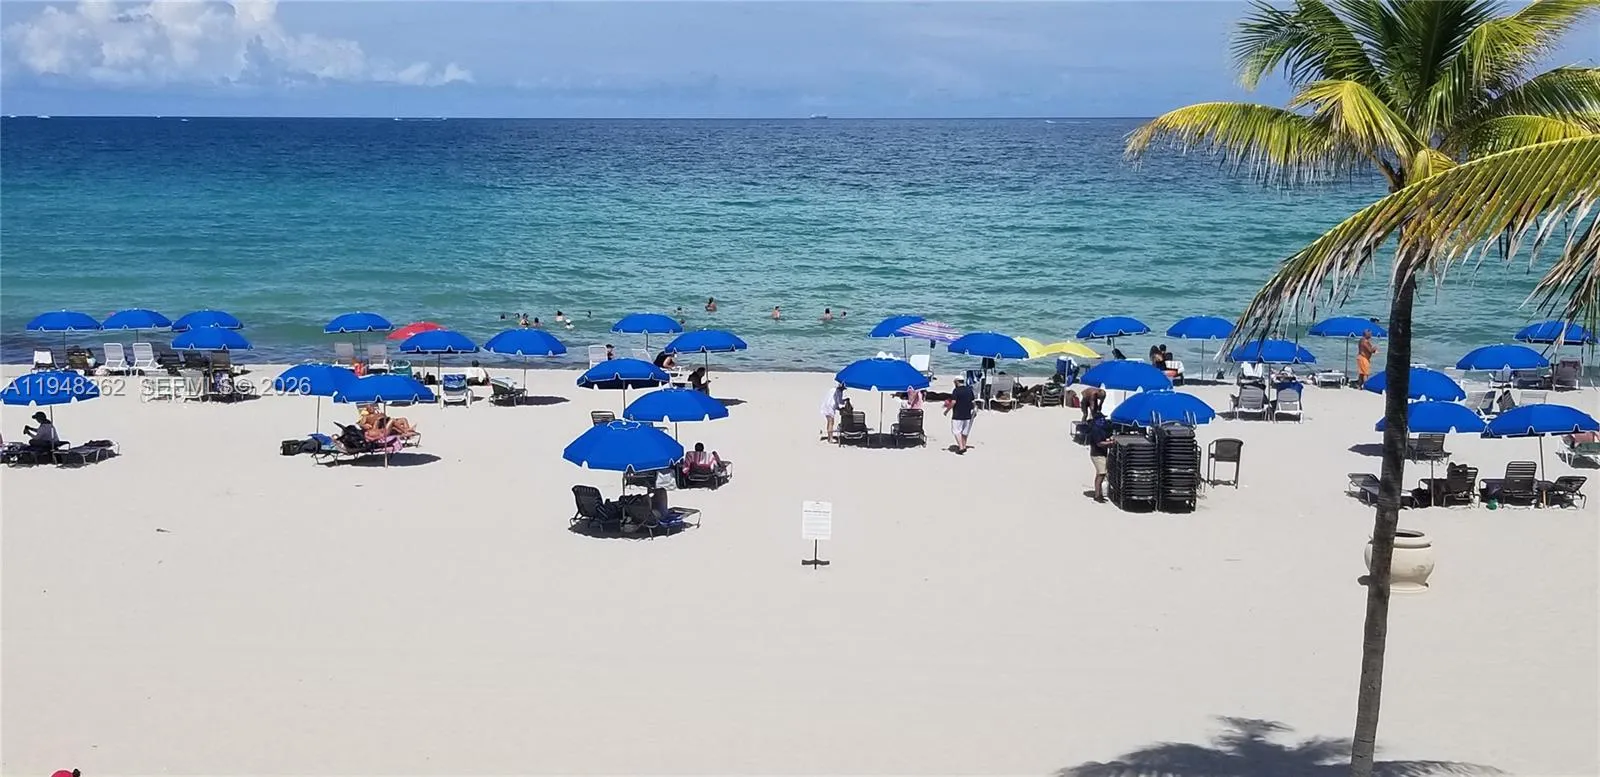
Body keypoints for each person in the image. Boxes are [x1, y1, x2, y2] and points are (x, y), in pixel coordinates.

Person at [1086, 406, 1115, 502]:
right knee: (1101, 474)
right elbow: (1099, 443)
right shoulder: (1095, 430)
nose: (1103, 420)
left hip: (1100, 454)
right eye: (1102, 419)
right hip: (1097, 455)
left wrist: (1109, 439)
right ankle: (1097, 495)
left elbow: (1104, 438)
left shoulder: (1100, 429)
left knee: (1100, 474)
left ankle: (1099, 493)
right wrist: (1110, 443)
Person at [944, 377, 976, 454]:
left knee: (956, 431)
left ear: (957, 382)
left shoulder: (956, 390)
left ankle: (961, 447)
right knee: (965, 431)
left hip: (958, 414)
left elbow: (953, 402)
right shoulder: (969, 390)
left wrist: (947, 410)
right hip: (968, 414)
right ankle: (964, 446)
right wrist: (975, 410)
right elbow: (973, 402)